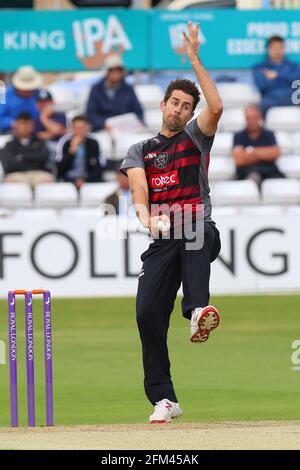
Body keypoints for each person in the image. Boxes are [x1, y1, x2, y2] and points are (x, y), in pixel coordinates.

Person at [120, 22, 223, 424]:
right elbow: (138, 193)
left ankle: (197, 308)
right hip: (164, 239)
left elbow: (217, 107)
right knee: (147, 314)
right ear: (163, 104)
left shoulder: (197, 137)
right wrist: (146, 217)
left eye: (186, 105)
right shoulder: (140, 150)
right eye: (174, 102)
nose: (179, 109)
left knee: (194, 228)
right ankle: (165, 399)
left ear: (190, 113)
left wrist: (194, 57)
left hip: (199, 228)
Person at [86, 55, 144, 132]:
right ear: (106, 72)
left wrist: (139, 121)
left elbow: (138, 110)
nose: (115, 73)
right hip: (102, 129)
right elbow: (91, 112)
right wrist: (102, 124)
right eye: (112, 70)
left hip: (126, 129)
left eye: (119, 70)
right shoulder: (96, 89)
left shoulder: (128, 89)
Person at [232, 104, 284, 185]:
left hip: (271, 173)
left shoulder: (269, 134)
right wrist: (265, 154)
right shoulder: (239, 136)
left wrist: (251, 152)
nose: (251, 121)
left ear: (260, 117)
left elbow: (275, 153)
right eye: (248, 118)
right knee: (253, 179)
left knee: (281, 184)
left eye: (254, 117)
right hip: (247, 174)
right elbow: (239, 159)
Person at [1, 111, 54, 188]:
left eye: (28, 124)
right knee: (10, 183)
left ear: (32, 125)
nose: (25, 126)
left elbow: (44, 158)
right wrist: (33, 157)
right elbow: (9, 165)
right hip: (17, 174)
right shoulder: (9, 145)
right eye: (22, 123)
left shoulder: (40, 142)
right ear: (16, 125)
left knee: (47, 181)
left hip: (38, 173)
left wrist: (21, 156)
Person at [253, 36, 300, 117]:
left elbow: (297, 81)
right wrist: (286, 81)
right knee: (259, 107)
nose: (278, 51)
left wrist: (277, 76)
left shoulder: (293, 66)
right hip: (270, 100)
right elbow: (262, 86)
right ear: (268, 49)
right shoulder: (260, 68)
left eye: (280, 47)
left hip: (291, 98)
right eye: (275, 48)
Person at [56, 115, 103, 189]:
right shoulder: (66, 143)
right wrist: (71, 151)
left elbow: (97, 166)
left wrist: (85, 180)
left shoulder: (93, 143)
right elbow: (60, 169)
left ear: (87, 128)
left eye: (82, 127)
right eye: (76, 128)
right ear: (72, 129)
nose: (79, 130)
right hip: (69, 179)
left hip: (88, 179)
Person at [0, 65, 42, 133]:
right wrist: (13, 123)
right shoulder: (4, 96)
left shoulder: (40, 94)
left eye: (30, 89)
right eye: (25, 90)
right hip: (10, 134)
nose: (28, 91)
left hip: (37, 134)